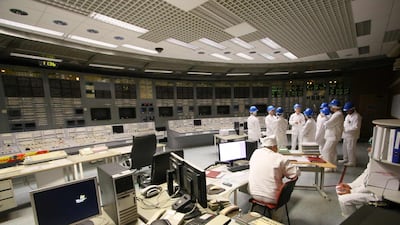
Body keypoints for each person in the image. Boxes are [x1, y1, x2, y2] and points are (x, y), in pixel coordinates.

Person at [249, 135, 300, 222]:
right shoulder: (279, 157)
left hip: (254, 194)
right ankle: (277, 220)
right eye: (277, 147)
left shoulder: (255, 153)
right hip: (273, 198)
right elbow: (295, 173)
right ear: (274, 147)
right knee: (277, 196)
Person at [336, 146, 379, 218]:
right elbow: (365, 174)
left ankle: (353, 221)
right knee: (339, 188)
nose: (368, 149)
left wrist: (352, 191)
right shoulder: (374, 160)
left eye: (372, 147)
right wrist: (351, 186)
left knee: (344, 200)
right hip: (367, 188)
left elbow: (373, 184)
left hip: (376, 194)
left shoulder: (383, 164)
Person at [322, 99, 344, 170]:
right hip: (333, 136)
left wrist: (325, 121)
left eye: (331, 106)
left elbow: (328, 124)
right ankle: (333, 166)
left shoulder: (337, 115)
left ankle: (328, 167)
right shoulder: (337, 114)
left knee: (326, 151)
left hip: (333, 136)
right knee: (332, 152)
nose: (330, 108)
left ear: (335, 107)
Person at [340, 102, 362, 167]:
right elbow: (345, 124)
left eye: (348, 110)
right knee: (345, 148)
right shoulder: (348, 116)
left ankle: (352, 161)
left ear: (352, 109)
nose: (347, 112)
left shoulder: (356, 116)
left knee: (350, 148)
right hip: (346, 135)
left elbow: (356, 127)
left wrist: (346, 129)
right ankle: (345, 158)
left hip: (352, 136)